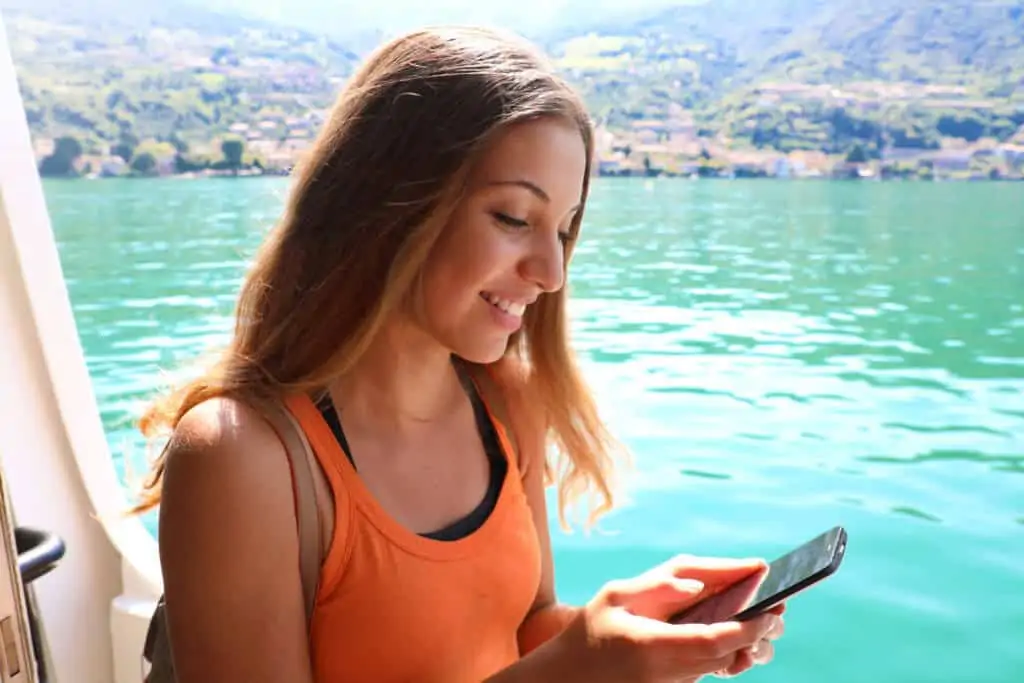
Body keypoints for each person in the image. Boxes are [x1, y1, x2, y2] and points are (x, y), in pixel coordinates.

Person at [130, 25, 785, 683]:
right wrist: (576, 668)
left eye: (563, 228)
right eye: (512, 218)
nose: (552, 271)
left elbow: (525, 628)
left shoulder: (507, 403)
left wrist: (627, 632)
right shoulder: (243, 456)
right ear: (388, 200)